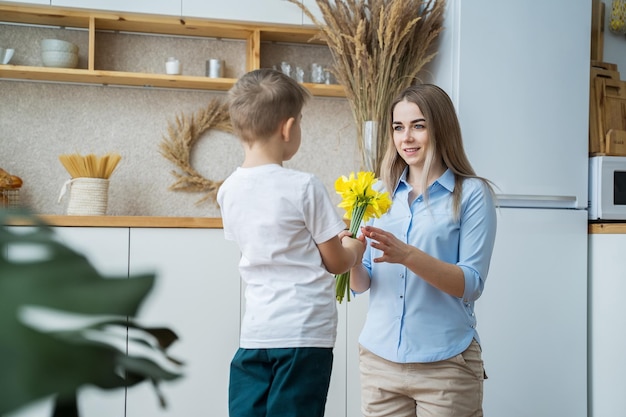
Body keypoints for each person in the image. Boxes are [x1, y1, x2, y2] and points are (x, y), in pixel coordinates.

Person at [217, 68, 365, 417]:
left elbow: (261, 248)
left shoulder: (228, 191)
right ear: (287, 128)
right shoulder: (303, 186)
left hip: (255, 333)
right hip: (303, 332)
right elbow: (336, 263)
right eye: (299, 121)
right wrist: (355, 248)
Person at [349, 84, 497, 417]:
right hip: (379, 363)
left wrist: (408, 256)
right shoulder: (375, 193)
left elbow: (471, 284)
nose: (407, 138)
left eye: (418, 125)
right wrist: (354, 261)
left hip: (445, 367)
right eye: (398, 128)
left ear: (441, 127)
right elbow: (363, 283)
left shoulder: (472, 194)